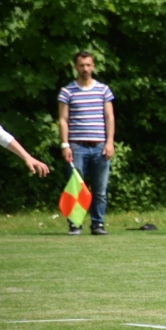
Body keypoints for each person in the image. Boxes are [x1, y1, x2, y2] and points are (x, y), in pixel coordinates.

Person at [58, 51, 115, 235]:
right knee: (75, 187)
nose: (85, 68)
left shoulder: (103, 90)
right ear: (76, 67)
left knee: (100, 190)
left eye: (88, 65)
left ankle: (98, 224)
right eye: (82, 65)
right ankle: (75, 224)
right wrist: (65, 145)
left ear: (93, 66)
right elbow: (63, 119)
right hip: (77, 146)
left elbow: (109, 117)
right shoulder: (67, 91)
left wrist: (110, 142)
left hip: (99, 146)